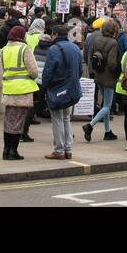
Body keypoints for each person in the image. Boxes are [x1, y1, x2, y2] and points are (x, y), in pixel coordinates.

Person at [41, 22, 83, 160]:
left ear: (55, 35)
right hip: (71, 89)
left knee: (57, 119)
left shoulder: (54, 49)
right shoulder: (75, 48)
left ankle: (59, 150)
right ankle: (68, 149)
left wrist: (45, 86)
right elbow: (80, 71)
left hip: (57, 89)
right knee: (66, 118)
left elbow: (48, 71)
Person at [0, 25, 39, 160]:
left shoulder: (4, 49)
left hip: (8, 88)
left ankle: (5, 150)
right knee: (18, 122)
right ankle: (13, 151)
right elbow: (33, 71)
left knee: (8, 121)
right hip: (22, 89)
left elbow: (3, 67)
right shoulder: (24, 48)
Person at [83, 17, 121, 141]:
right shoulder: (113, 43)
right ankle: (90, 125)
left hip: (98, 74)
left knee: (105, 104)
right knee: (107, 106)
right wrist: (117, 71)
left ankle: (107, 131)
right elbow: (111, 62)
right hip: (108, 76)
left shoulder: (96, 40)